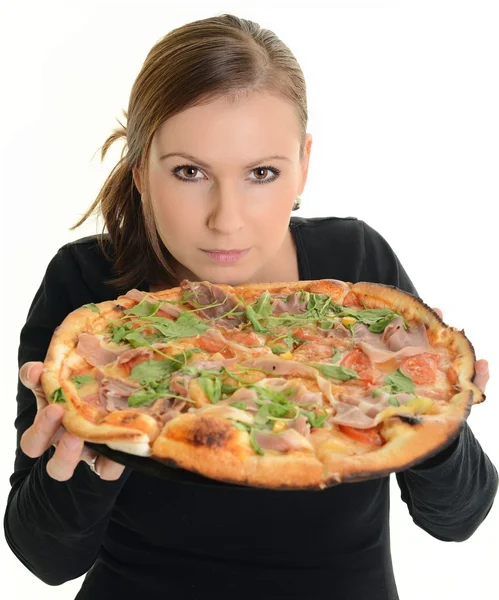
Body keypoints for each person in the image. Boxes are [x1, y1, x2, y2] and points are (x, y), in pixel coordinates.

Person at [4, 13, 497, 600]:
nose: (226, 218)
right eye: (190, 172)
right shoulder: (88, 283)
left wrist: (432, 413)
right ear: (140, 171)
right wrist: (86, 464)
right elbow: (47, 559)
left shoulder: (356, 268)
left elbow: (457, 519)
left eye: (262, 173)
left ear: (303, 166)